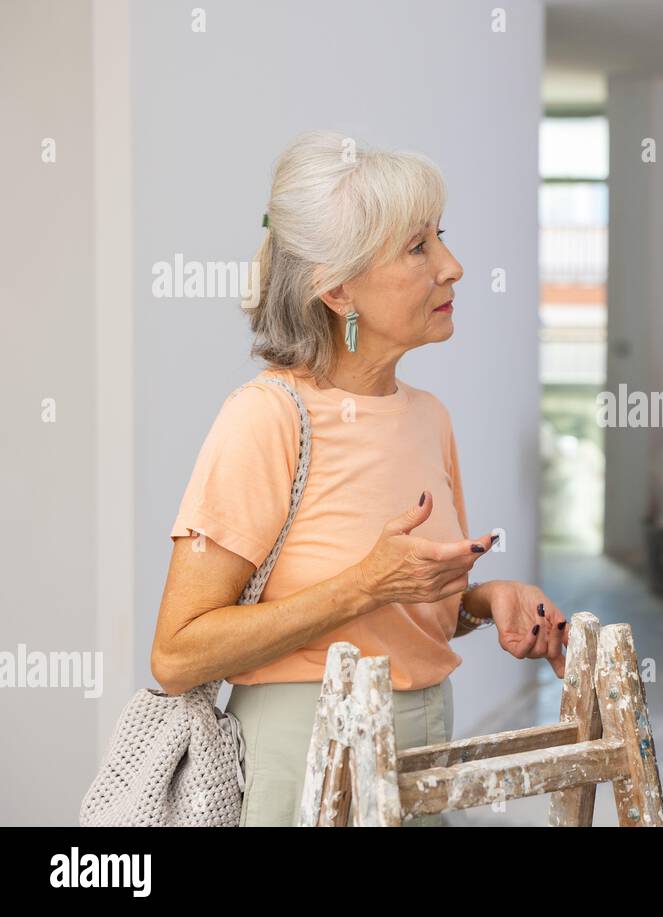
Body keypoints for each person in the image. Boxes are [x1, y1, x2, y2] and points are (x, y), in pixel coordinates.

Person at [153, 131, 567, 826]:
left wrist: (487, 598)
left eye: (442, 237)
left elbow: (404, 607)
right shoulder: (266, 416)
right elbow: (176, 653)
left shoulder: (428, 417)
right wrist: (363, 582)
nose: (454, 266)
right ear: (339, 289)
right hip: (303, 758)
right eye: (418, 248)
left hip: (425, 744)